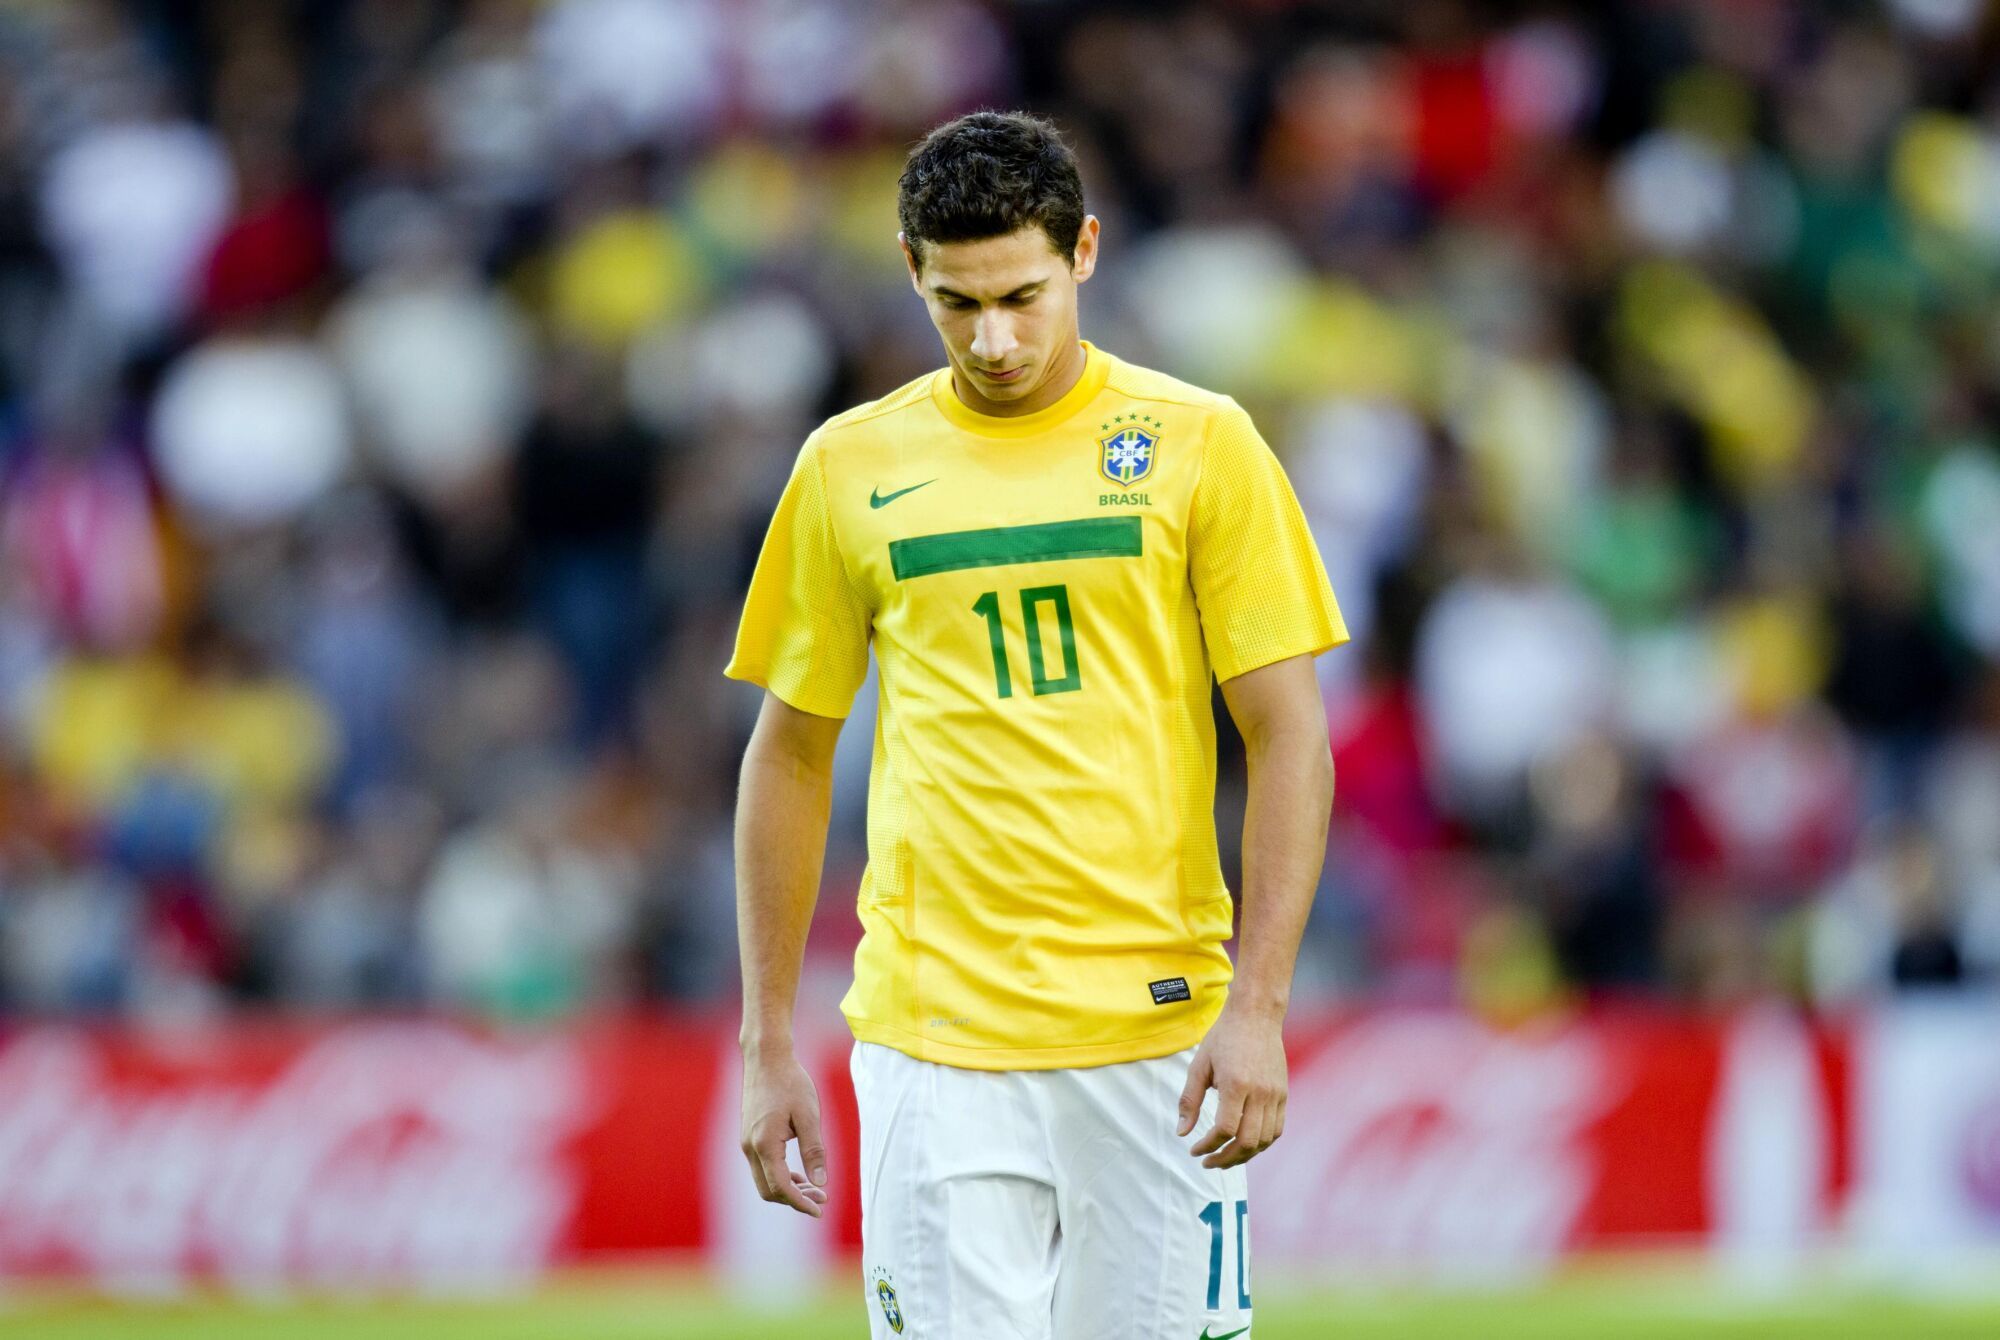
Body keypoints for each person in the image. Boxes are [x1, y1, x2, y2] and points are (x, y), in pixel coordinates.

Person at [726, 110, 1345, 1340]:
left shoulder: (1199, 445)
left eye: (1020, 293)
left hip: (1157, 1033)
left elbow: (1288, 737)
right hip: (933, 1035)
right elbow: (790, 753)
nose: (992, 339)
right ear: (910, 270)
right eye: (955, 303)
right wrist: (765, 1040)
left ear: (1085, 255)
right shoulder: (847, 466)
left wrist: (1260, 1006)